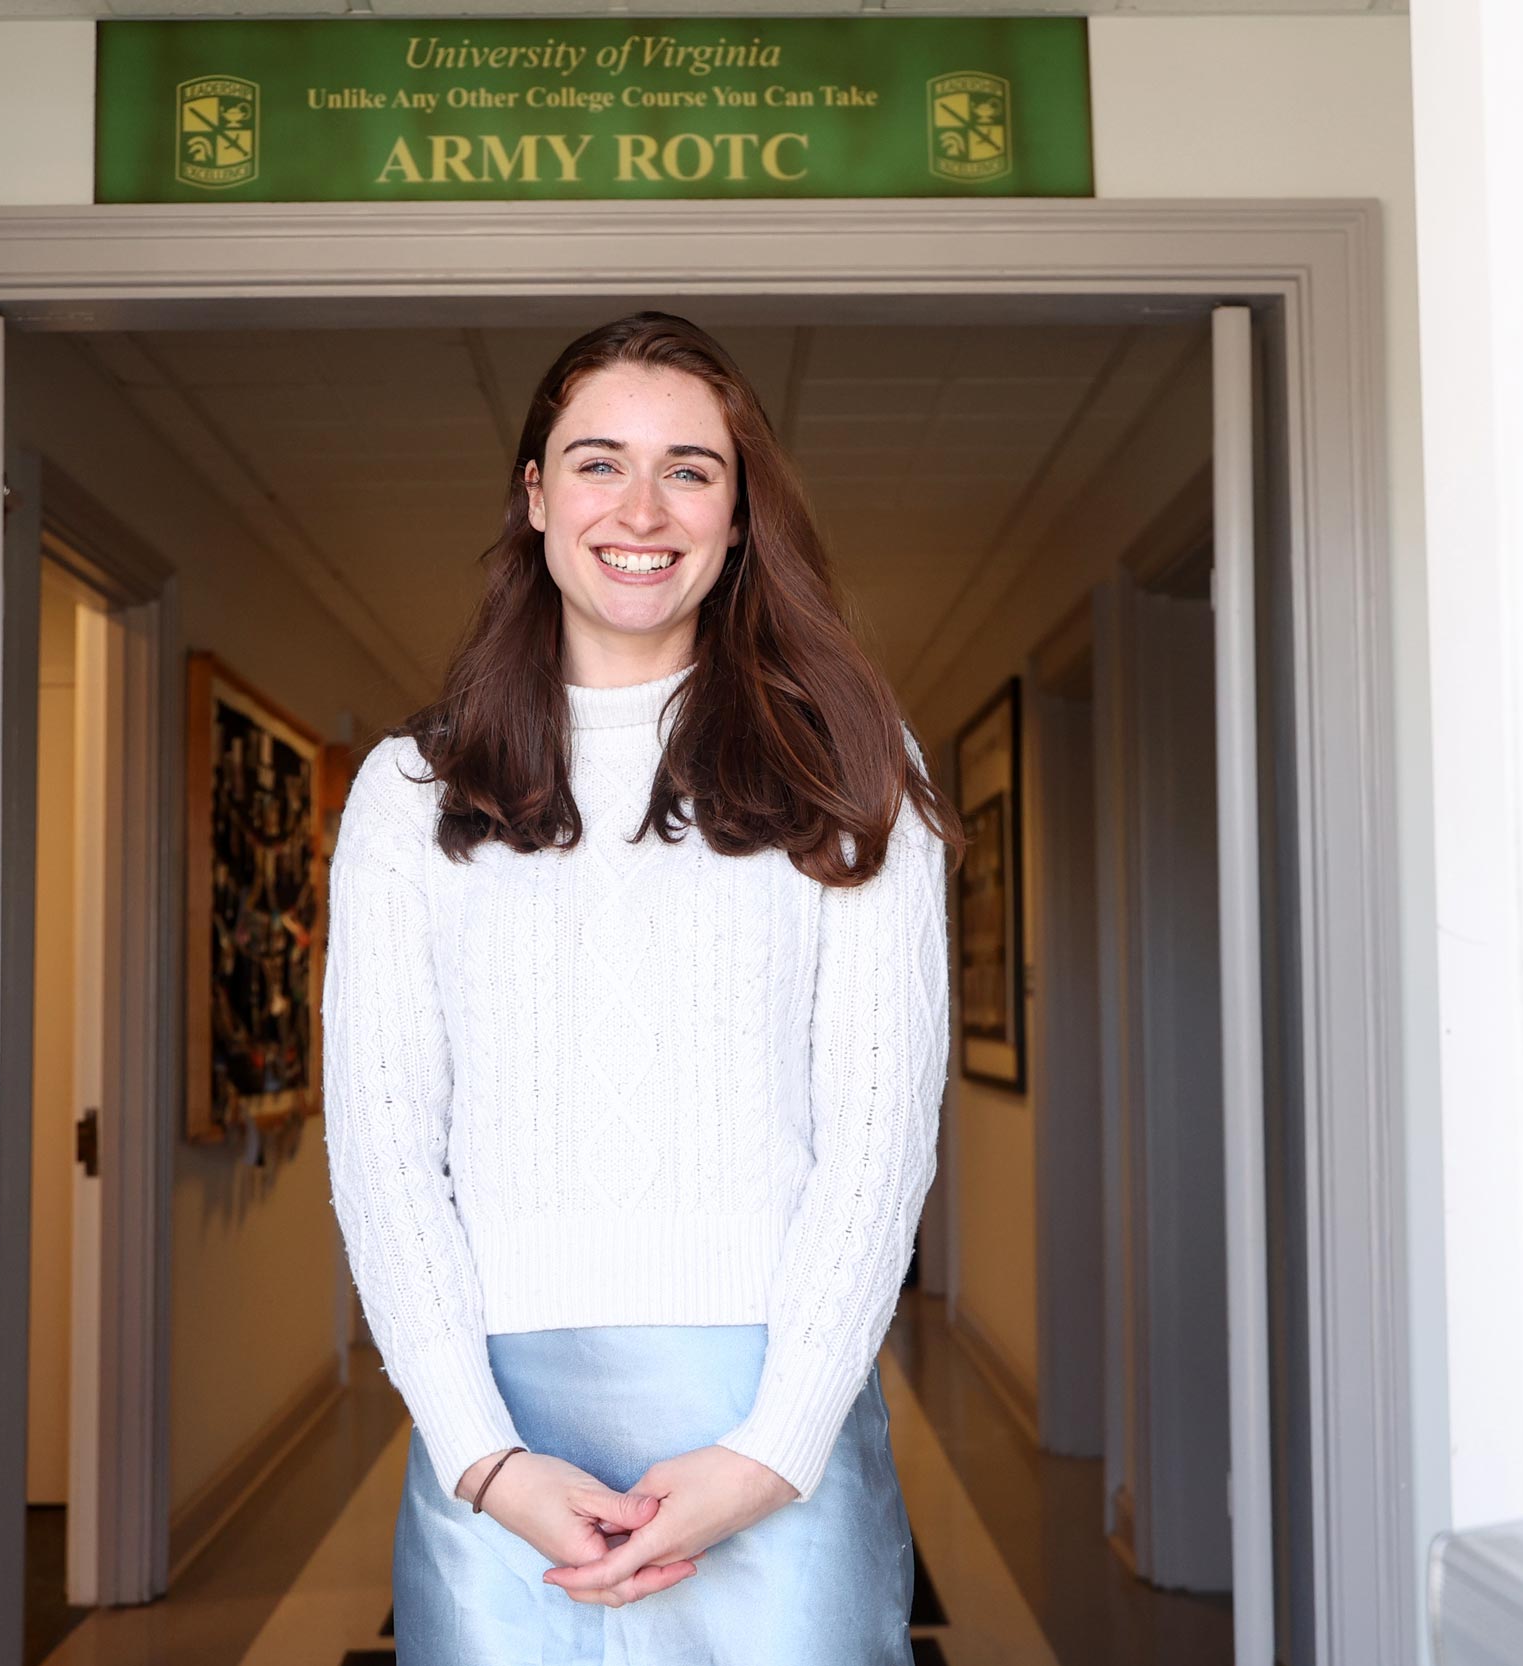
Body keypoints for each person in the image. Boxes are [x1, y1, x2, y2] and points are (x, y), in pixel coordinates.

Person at [321, 310, 960, 1663]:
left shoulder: (855, 764)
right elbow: (384, 1156)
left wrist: (772, 1452)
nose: (643, 506)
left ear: (739, 516)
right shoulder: (408, 793)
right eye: (599, 460)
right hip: (500, 1437)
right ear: (537, 495)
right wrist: (486, 1458)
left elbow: (880, 1139)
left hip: (772, 1436)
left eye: (692, 468)